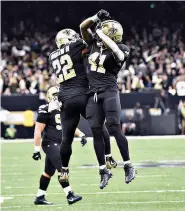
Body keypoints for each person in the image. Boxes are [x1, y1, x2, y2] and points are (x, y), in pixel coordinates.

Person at [49, 28, 117, 190]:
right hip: (83, 94)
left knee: (67, 137)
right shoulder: (75, 47)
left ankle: (64, 170)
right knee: (99, 127)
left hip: (65, 98)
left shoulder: (52, 55)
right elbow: (90, 42)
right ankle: (107, 159)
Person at [80, 9, 136, 187]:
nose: (99, 30)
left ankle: (128, 165)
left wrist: (101, 34)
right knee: (96, 130)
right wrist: (96, 17)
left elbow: (118, 55)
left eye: (103, 28)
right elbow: (83, 27)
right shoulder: (94, 44)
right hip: (93, 93)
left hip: (110, 91)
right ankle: (103, 170)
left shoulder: (122, 48)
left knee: (113, 126)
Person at [32, 86, 87, 205]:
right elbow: (38, 130)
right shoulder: (45, 109)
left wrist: (81, 134)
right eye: (57, 95)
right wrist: (36, 150)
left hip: (59, 144)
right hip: (50, 143)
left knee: (48, 172)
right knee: (62, 169)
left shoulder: (63, 109)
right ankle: (70, 195)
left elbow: (68, 126)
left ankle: (40, 197)